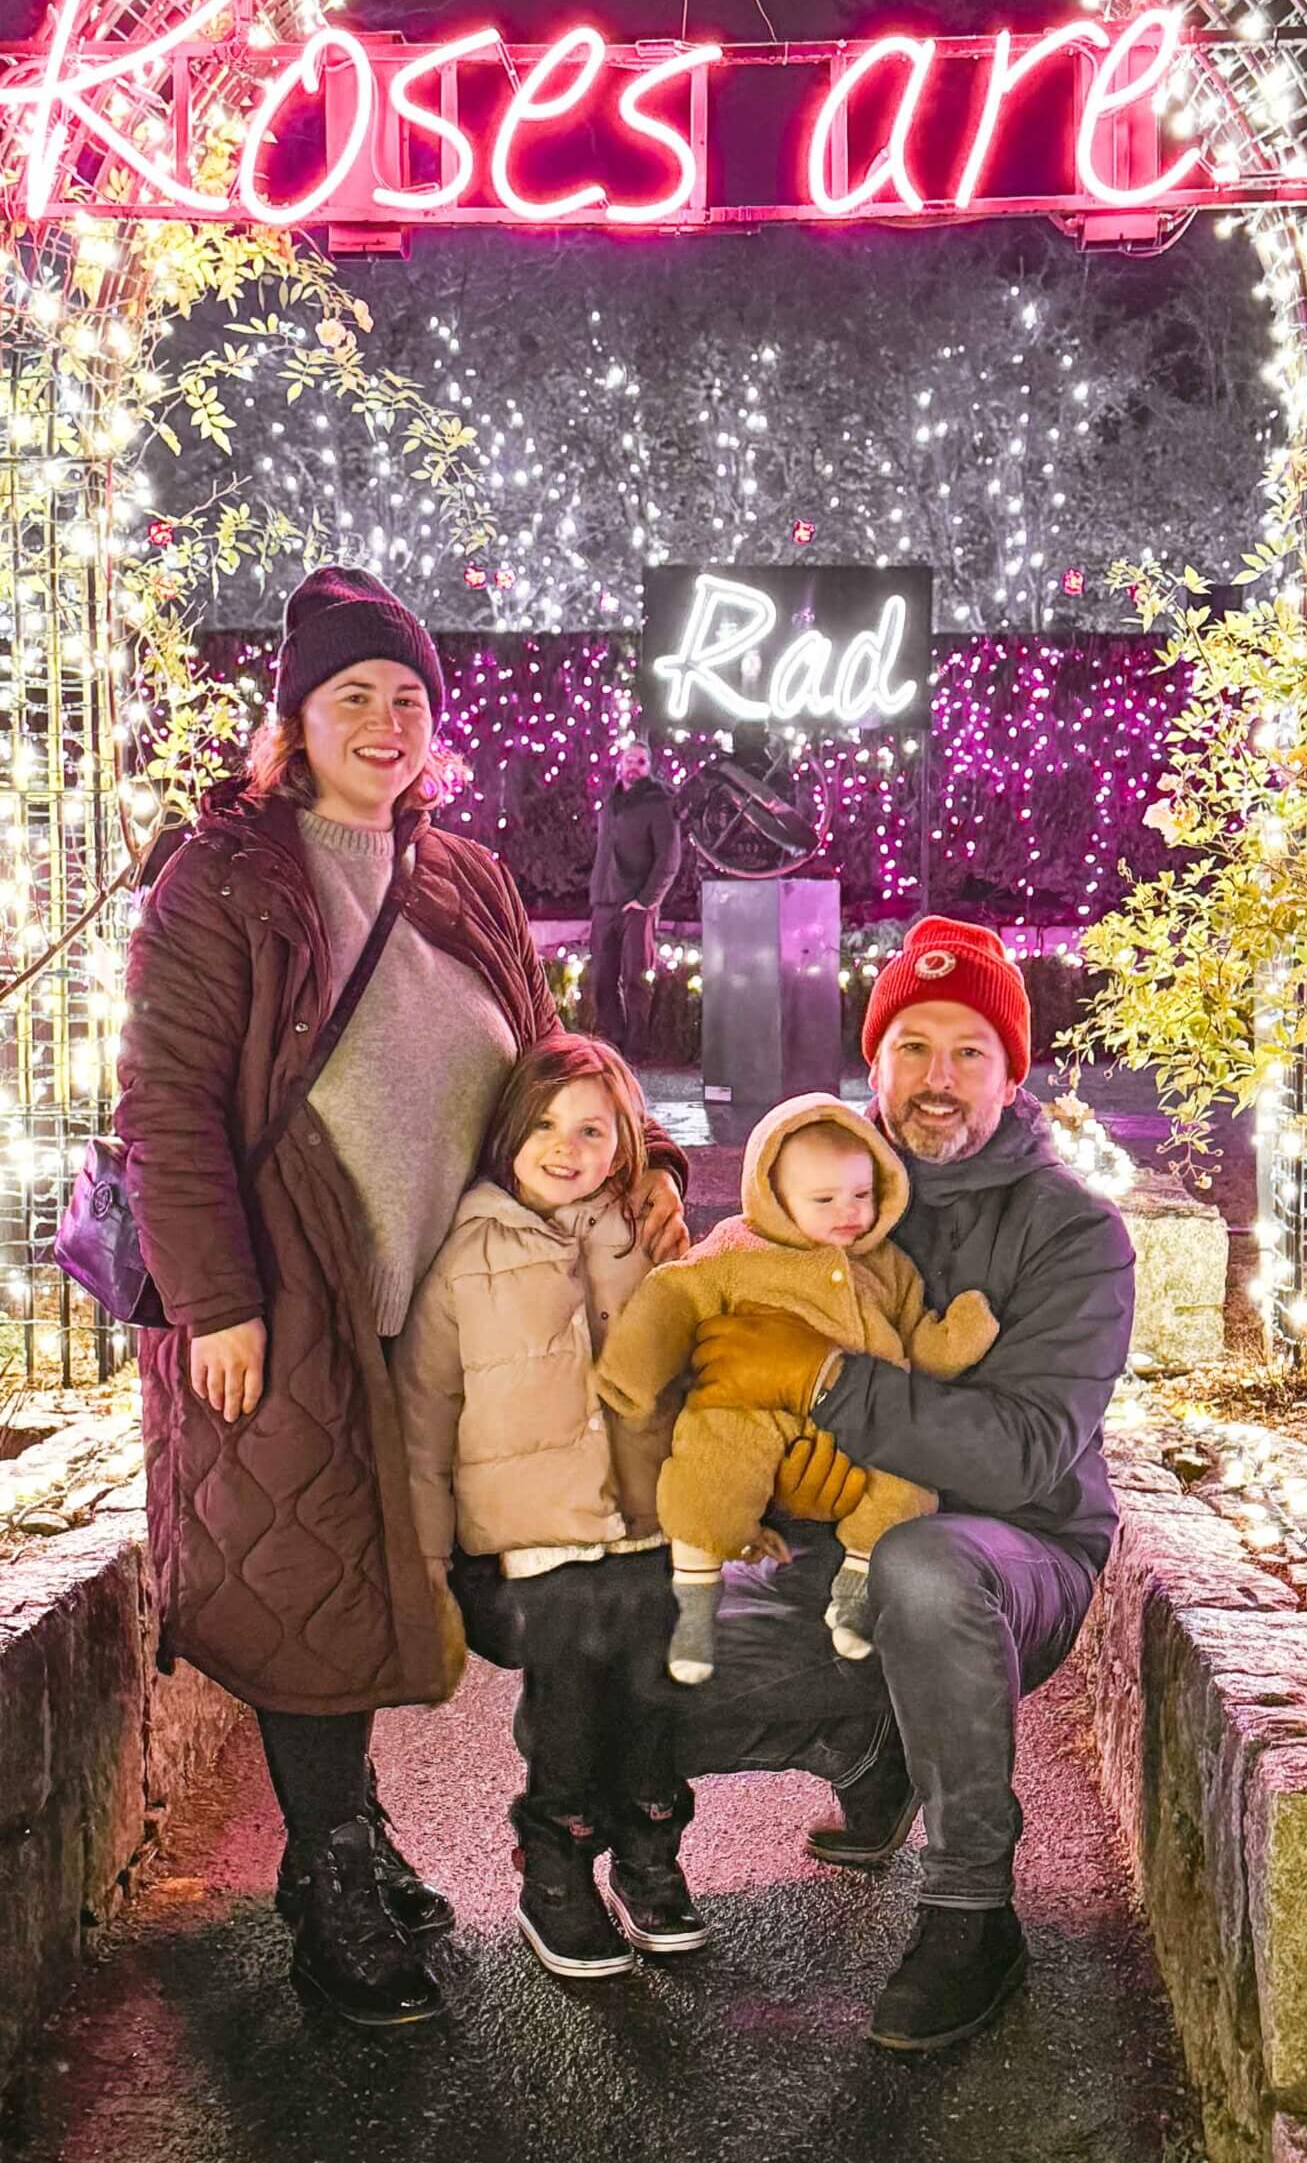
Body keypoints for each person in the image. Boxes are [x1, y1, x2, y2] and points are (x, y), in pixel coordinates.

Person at [115, 565, 689, 2033]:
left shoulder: (463, 874)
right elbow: (167, 1101)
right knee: (307, 1579)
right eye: (353, 695)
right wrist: (215, 1299)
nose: (385, 722)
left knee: (404, 1576)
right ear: (294, 719)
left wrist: (640, 1162)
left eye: (409, 698)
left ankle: (376, 1825)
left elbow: (551, 1060)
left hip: (451, 1294)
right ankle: (332, 1875)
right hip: (291, 1285)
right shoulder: (225, 876)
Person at [666, 918, 1137, 2055]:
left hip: (1007, 1560)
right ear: (871, 1062)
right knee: (616, 1672)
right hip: (833, 1561)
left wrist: (828, 1382)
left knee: (926, 1574)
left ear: (1012, 1071)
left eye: (968, 1050)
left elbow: (1025, 1454)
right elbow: (718, 1382)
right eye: (911, 1046)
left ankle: (973, 1907)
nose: (937, 1078)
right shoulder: (804, 1196)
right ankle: (873, 1748)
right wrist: (776, 1483)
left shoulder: (1072, 1231)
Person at [397, 1034, 707, 1979]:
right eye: (542, 1126)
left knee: (660, 1684)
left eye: (591, 1128)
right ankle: (557, 1860)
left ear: (626, 1140)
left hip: (648, 1521)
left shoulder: (641, 1238)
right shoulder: (465, 1255)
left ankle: (650, 1852)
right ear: (506, 1135)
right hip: (531, 1546)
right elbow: (422, 1421)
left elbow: (692, 1369)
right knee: (572, 1684)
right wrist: (428, 1573)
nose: (565, 1147)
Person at [597, 1094, 996, 1684]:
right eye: (824, 1200)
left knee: (907, 1485)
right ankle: (695, 1610)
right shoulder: (736, 1250)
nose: (849, 1213)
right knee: (710, 1471)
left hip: (864, 1413)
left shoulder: (886, 1264)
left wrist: (955, 1338)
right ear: (776, 1198)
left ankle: (857, 1592)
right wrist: (632, 1373)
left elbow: (915, 1334)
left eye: (862, 1195)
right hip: (751, 1402)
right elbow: (672, 1295)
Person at [588, 740, 681, 1058]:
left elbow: (669, 858)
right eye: (629, 760)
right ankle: (610, 1043)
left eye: (640, 762)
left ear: (649, 767)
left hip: (637, 906)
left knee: (635, 979)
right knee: (602, 975)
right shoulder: (610, 802)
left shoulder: (659, 803)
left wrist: (646, 900)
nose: (634, 766)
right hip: (604, 901)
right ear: (620, 764)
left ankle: (637, 1048)